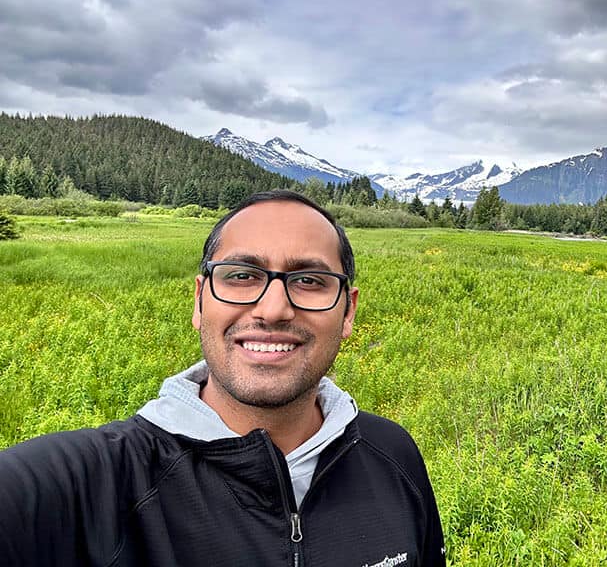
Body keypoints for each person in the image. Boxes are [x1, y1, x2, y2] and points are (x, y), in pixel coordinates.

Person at [0, 190, 446, 566]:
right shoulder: (92, 482)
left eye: (309, 280)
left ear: (347, 311)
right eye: (241, 276)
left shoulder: (393, 454)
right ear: (199, 301)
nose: (273, 309)